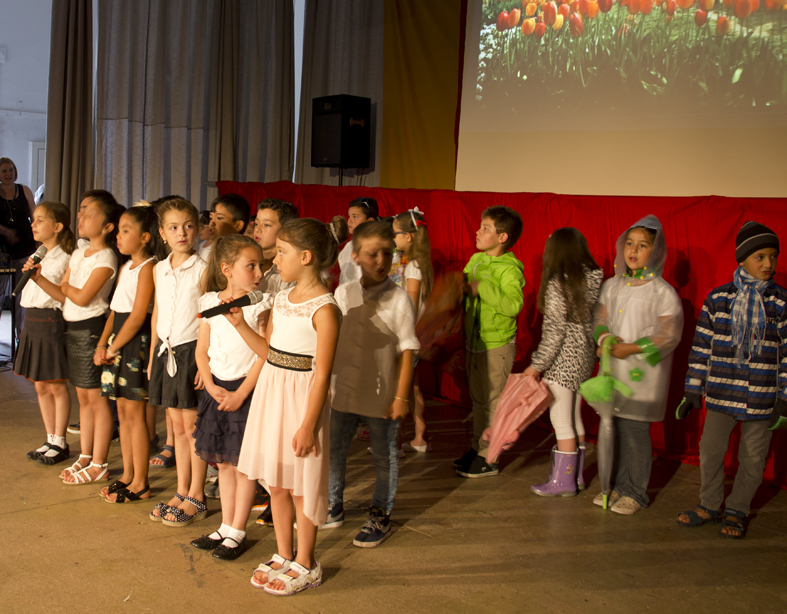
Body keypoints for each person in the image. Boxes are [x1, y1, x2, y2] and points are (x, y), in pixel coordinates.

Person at [235, 218, 342, 595]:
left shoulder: (325, 309)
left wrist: (308, 425)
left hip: (302, 403)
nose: (274, 260)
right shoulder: (281, 298)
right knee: (277, 482)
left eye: (281, 253)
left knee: (301, 486)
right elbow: (270, 353)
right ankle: (283, 553)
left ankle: (307, 561)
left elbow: (322, 373)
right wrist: (240, 325)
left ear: (306, 257)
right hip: (272, 396)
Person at [675, 221, 787, 538]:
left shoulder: (780, 302)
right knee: (710, 449)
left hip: (761, 397)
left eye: (773, 256)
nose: (768, 263)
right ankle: (709, 505)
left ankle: (737, 510)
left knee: (753, 457)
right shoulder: (718, 299)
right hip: (722, 392)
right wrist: (692, 390)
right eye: (759, 257)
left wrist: (784, 397)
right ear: (742, 259)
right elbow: (701, 347)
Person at [325, 221, 419, 549]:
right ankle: (332, 504)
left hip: (382, 394)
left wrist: (401, 396)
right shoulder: (344, 293)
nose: (381, 261)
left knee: (384, 454)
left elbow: (407, 350)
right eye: (371, 254)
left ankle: (380, 513)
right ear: (355, 256)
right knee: (335, 451)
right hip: (345, 389)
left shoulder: (400, 299)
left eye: (387, 253)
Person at [591, 215, 683, 514]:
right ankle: (616, 485)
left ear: (655, 251)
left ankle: (636, 492)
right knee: (614, 429)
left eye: (642, 245)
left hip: (643, 376)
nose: (633, 250)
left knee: (634, 432)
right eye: (629, 243)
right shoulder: (612, 286)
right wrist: (604, 337)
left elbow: (668, 335)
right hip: (614, 372)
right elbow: (600, 318)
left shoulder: (662, 292)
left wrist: (631, 348)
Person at [188, 234, 270, 557]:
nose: (259, 272)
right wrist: (209, 385)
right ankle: (225, 526)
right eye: (251, 265)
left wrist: (241, 394)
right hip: (218, 390)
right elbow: (201, 350)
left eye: (261, 265)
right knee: (223, 463)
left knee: (243, 465)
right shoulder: (210, 301)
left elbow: (264, 354)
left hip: (245, 392)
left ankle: (238, 530)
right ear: (227, 269)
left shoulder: (261, 304)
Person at [523, 228, 603, 496]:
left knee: (561, 419)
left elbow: (554, 332)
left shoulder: (559, 283)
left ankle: (564, 482)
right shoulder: (593, 278)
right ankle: (576, 477)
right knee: (573, 416)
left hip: (563, 360)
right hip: (584, 357)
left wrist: (536, 365)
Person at [146, 198, 208, 523]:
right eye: (173, 227)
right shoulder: (158, 268)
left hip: (192, 352)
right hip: (165, 352)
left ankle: (198, 494)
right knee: (177, 427)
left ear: (196, 229)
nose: (181, 233)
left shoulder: (203, 268)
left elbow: (209, 317)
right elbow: (158, 312)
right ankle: (182, 489)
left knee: (193, 427)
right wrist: (152, 356)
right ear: (162, 232)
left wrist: (204, 360)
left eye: (187, 226)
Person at [96, 204, 162, 503]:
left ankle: (141, 482)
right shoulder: (126, 267)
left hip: (134, 344)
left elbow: (137, 317)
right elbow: (115, 311)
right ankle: (127, 475)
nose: (118, 237)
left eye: (125, 231)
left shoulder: (149, 267)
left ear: (145, 237)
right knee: (122, 413)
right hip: (117, 342)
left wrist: (113, 347)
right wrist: (102, 344)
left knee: (135, 415)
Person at [455, 206, 525, 478]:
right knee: (479, 400)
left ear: (502, 237)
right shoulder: (476, 260)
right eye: (480, 226)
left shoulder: (509, 269)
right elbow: (464, 288)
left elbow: (513, 305)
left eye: (486, 228)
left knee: (494, 402)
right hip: (475, 342)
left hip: (497, 345)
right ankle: (478, 448)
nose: (478, 231)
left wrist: (482, 287)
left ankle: (490, 456)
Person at [60, 191, 122, 485]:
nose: (81, 216)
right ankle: (85, 455)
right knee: (83, 398)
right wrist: (64, 286)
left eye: (90, 213)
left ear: (108, 226)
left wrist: (67, 287)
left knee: (97, 400)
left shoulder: (106, 256)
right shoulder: (78, 252)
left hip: (92, 329)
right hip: (73, 330)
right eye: (81, 212)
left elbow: (83, 297)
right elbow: (65, 289)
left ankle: (100, 462)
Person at [15, 202, 75, 465]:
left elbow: (63, 295)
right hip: (32, 319)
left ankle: (60, 441)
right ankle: (50, 438)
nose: (34, 225)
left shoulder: (66, 256)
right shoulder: (39, 253)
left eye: (40, 220)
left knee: (55, 383)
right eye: (34, 220)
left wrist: (39, 278)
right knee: (40, 384)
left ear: (57, 226)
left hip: (51, 319)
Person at [390, 208, 434, 453]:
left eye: (395, 233)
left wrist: (401, 332)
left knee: (401, 389)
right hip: (413, 334)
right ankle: (419, 436)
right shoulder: (409, 262)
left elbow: (411, 301)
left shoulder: (414, 266)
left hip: (407, 334)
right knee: (413, 387)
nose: (393, 238)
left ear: (408, 236)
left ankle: (394, 442)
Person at [0, 157, 37, 339]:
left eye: (11, 170)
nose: (9, 174)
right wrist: (6, 231)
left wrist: (39, 240)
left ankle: (20, 333)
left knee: (21, 290)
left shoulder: (24, 190)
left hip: (25, 246)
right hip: (2, 249)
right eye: (4, 171)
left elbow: (34, 216)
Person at [337, 196, 378, 286]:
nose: (349, 221)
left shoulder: (373, 247)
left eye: (355, 217)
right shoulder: (348, 245)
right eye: (349, 216)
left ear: (369, 221)